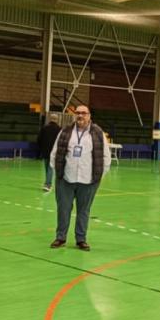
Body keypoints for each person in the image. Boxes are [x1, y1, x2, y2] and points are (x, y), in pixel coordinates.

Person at [49, 106, 110, 251]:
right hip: (66, 179)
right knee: (63, 209)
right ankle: (60, 237)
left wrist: (99, 176)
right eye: (78, 113)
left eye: (84, 113)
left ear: (89, 116)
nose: (80, 115)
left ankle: (81, 239)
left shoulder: (97, 133)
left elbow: (106, 156)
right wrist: (57, 173)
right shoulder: (65, 132)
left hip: (88, 181)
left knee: (84, 211)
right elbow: (55, 152)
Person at [37, 114, 62, 192]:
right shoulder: (59, 129)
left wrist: (41, 149)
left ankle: (48, 183)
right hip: (54, 152)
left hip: (45, 151)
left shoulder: (44, 128)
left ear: (50, 119)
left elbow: (39, 140)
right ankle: (48, 184)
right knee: (50, 168)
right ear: (57, 120)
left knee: (47, 168)